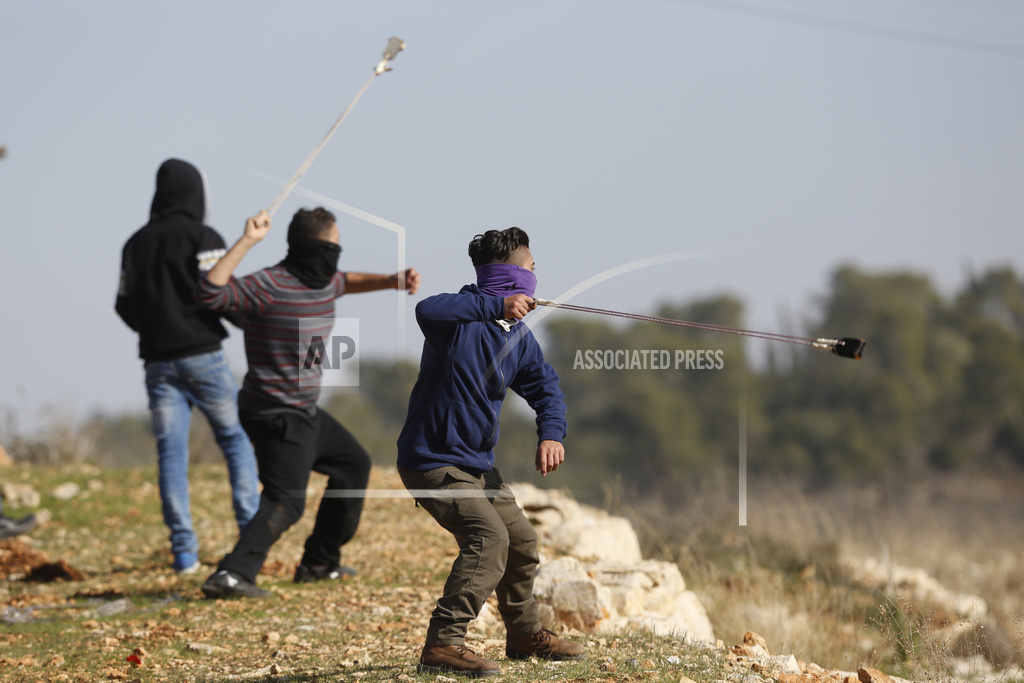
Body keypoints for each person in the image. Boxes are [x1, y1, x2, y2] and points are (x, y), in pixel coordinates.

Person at [195, 206, 420, 599]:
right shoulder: (268, 284)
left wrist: (391, 281)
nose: (338, 253)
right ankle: (232, 575)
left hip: (304, 410)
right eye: (335, 245)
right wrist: (247, 240)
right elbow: (209, 292)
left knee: (352, 465)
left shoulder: (324, 281)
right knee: (286, 501)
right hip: (274, 412)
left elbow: (347, 282)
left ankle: (319, 563)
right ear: (320, 246)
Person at [396, 227, 585, 678]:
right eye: (533, 269)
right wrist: (494, 304)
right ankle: (443, 644)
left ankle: (523, 635)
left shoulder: (516, 336)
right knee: (488, 540)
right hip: (433, 463)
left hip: (477, 469)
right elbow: (426, 306)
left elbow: (547, 389)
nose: (537, 278)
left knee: (521, 541)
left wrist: (551, 433)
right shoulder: (454, 320)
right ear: (513, 275)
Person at [115, 158, 260, 574]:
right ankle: (250, 538)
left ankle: (183, 554)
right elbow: (220, 293)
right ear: (197, 194)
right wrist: (251, 323)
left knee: (171, 455)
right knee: (235, 441)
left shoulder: (134, 244)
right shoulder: (204, 236)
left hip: (158, 363)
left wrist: (155, 331)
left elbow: (123, 305)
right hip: (204, 357)